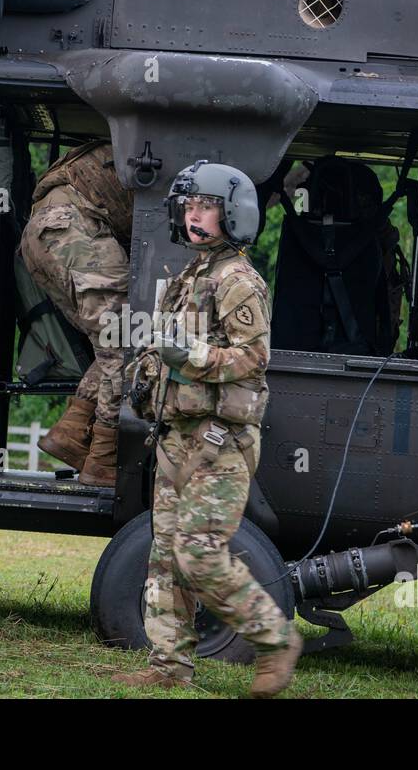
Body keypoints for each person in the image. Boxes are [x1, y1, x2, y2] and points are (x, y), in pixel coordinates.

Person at [115, 161, 302, 697]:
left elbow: (254, 359)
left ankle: (274, 639)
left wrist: (191, 356)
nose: (194, 216)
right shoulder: (191, 276)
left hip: (218, 442)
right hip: (176, 435)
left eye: (207, 207)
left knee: (198, 553)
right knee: (165, 551)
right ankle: (168, 666)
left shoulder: (238, 280)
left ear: (233, 214)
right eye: (189, 206)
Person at [19, 142, 134, 485]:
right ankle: (104, 459)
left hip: (45, 232)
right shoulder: (181, 147)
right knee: (125, 344)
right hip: (73, 229)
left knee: (117, 339)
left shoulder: (136, 136)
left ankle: (71, 430)